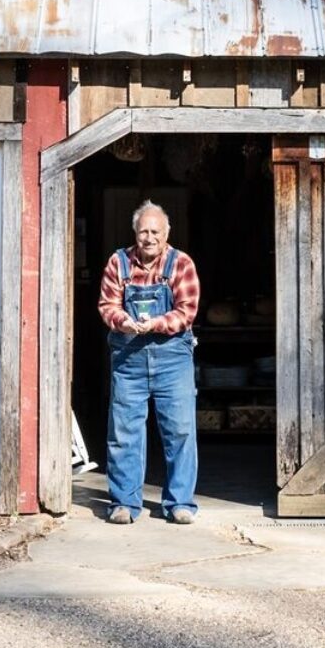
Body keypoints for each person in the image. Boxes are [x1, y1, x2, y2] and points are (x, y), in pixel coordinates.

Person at [98, 200, 200, 524]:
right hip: (129, 358)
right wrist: (122, 321)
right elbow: (106, 304)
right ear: (135, 232)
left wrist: (154, 323)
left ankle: (180, 503)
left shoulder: (181, 264)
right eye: (144, 231)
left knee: (180, 430)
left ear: (167, 232)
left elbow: (187, 311)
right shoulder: (118, 263)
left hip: (172, 358)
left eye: (156, 231)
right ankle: (124, 503)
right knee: (125, 431)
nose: (149, 237)